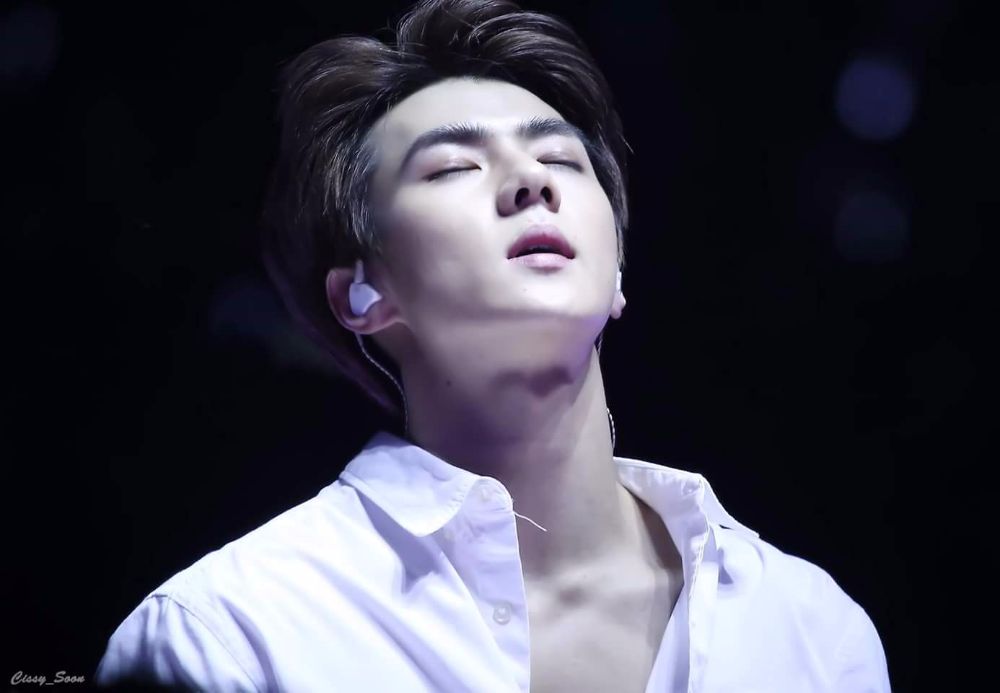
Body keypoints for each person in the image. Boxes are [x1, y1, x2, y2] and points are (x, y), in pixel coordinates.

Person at [94, 0, 891, 690]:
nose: (530, 182)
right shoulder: (232, 632)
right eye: (452, 167)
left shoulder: (806, 628)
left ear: (617, 271)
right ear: (362, 295)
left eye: (560, 158)